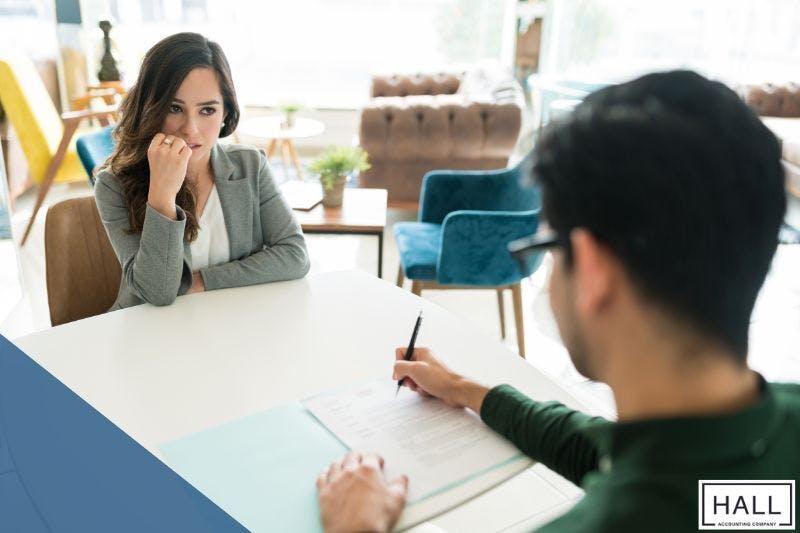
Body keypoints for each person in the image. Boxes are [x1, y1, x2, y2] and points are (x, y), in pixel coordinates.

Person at [316, 70, 800, 532]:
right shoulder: (758, 471)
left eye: (546, 246)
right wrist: (461, 388)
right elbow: (619, 454)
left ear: (593, 269)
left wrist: (356, 526)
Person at [95, 32, 309, 310]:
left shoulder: (250, 165)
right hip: (149, 333)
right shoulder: (113, 184)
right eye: (174, 108)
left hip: (231, 324)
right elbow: (158, 292)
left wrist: (199, 281)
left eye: (207, 110)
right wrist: (162, 194)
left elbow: (295, 255)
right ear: (149, 108)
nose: (190, 129)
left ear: (225, 114)